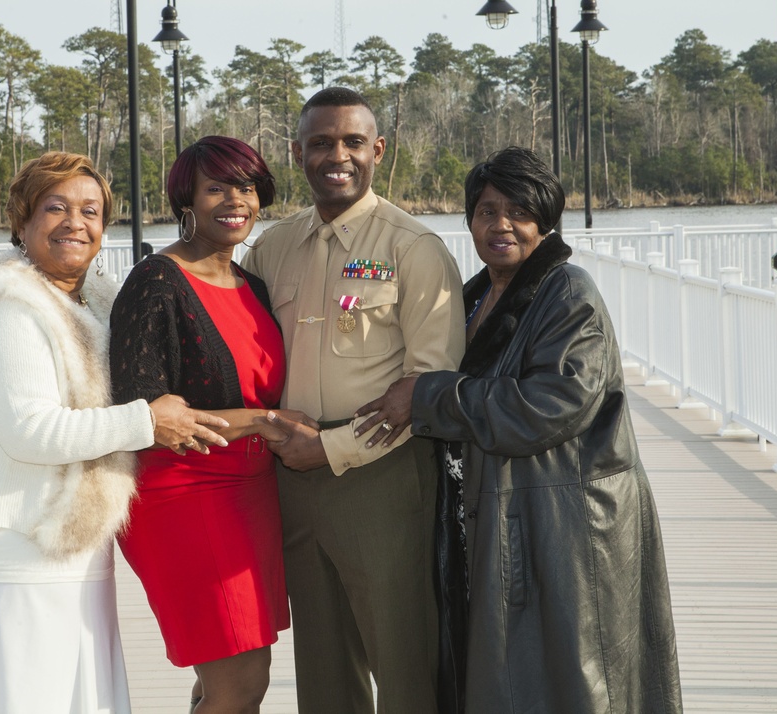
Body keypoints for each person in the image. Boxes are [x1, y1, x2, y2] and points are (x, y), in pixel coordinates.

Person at [355, 146, 684, 713]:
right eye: (486, 211)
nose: (500, 224)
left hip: (564, 524)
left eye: (518, 211)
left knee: (569, 682)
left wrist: (429, 395)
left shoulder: (567, 291)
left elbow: (551, 404)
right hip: (501, 512)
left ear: (544, 219)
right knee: (506, 679)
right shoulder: (478, 294)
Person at [0, 151, 228, 714]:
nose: (74, 222)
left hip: (70, 536)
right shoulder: (8, 306)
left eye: (90, 210)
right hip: (9, 539)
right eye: (55, 208)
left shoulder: (98, 299)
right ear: (23, 221)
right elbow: (29, 432)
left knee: (73, 690)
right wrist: (146, 422)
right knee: (21, 693)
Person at [241, 87, 466, 714]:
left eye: (352, 142)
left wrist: (331, 447)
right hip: (292, 476)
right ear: (298, 152)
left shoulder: (412, 248)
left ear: (378, 150)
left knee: (402, 659)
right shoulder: (272, 247)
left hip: (381, 475)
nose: (335, 155)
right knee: (322, 665)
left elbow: (430, 387)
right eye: (320, 143)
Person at [109, 136, 311, 714]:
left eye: (245, 186)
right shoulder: (157, 281)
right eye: (215, 187)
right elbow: (142, 413)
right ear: (187, 200)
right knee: (243, 684)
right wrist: (263, 421)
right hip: (185, 493)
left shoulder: (254, 286)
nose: (234, 200)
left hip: (252, 496)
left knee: (222, 679)